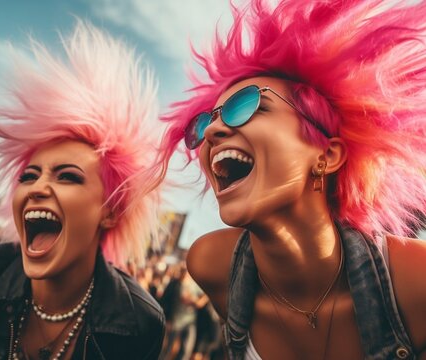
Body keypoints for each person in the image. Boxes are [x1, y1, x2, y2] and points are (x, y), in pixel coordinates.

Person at [159, 0, 426, 358]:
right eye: (207, 121)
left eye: (247, 106)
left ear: (327, 156)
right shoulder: (211, 265)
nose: (214, 131)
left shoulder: (414, 281)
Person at [0, 22, 165, 360]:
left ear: (110, 209)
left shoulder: (138, 321)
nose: (37, 187)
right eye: (29, 176)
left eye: (67, 177)